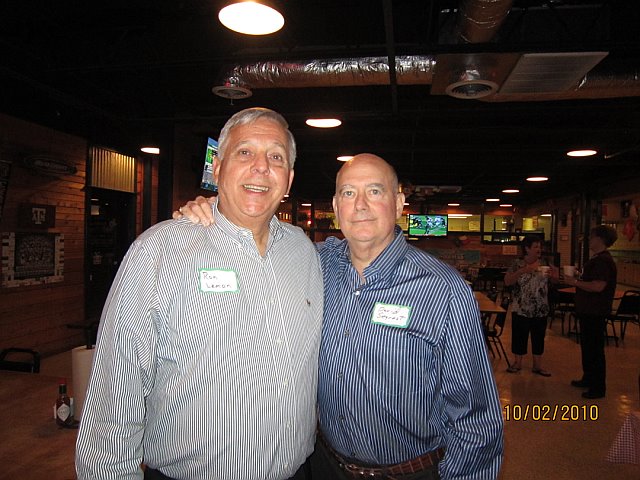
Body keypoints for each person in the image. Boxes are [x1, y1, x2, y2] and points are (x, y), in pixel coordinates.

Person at [177, 153, 504, 479]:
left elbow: (475, 416)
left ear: (398, 203)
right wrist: (218, 211)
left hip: (408, 472)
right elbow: (258, 243)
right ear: (336, 207)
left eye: (374, 191)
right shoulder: (315, 263)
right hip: (326, 466)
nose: (360, 205)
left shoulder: (442, 289)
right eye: (349, 193)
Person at [76, 108, 324, 480]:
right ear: (218, 169)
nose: (261, 167)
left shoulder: (304, 251)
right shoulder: (160, 251)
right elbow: (116, 387)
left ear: (287, 179)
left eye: (276, 157)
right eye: (245, 152)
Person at [564, 225, 618, 399]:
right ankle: (588, 377)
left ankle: (598, 387)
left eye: (592, 236)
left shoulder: (603, 261)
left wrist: (575, 282)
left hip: (595, 311)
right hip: (589, 310)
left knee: (594, 350)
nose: (589, 239)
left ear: (600, 239)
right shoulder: (598, 259)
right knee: (588, 347)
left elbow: (598, 286)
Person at [503, 235, 559, 376]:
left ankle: (537, 365)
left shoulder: (545, 263)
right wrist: (524, 270)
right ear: (527, 249)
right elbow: (507, 281)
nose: (539, 249)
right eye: (535, 246)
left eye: (540, 246)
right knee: (519, 336)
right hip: (521, 307)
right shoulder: (517, 263)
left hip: (540, 307)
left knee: (538, 337)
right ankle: (517, 362)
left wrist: (554, 276)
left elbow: (554, 282)